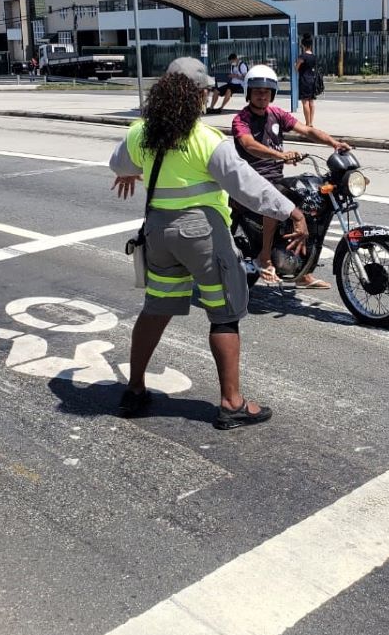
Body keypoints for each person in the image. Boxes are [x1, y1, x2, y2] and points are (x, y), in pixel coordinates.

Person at [109, 57, 309, 430]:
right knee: (224, 313)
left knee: (156, 309)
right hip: (201, 235)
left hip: (158, 234)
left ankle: (135, 389)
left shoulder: (140, 133)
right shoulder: (205, 140)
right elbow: (246, 186)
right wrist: (291, 212)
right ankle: (231, 403)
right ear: (200, 97)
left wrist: (132, 172)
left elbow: (117, 163)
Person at [231, 64, 350, 290]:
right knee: (276, 196)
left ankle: (302, 270)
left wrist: (334, 143)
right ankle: (264, 256)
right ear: (248, 92)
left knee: (311, 199)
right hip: (249, 181)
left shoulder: (276, 114)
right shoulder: (241, 119)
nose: (262, 95)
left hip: (275, 179)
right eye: (257, 90)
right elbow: (249, 145)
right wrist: (280, 155)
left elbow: (306, 130)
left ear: (273, 94)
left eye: (266, 91)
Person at [295, 35, 324, 128]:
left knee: (305, 102)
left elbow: (296, 68)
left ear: (303, 46)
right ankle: (311, 122)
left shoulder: (302, 56)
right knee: (311, 102)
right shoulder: (314, 56)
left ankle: (307, 123)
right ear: (311, 45)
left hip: (304, 80)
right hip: (313, 80)